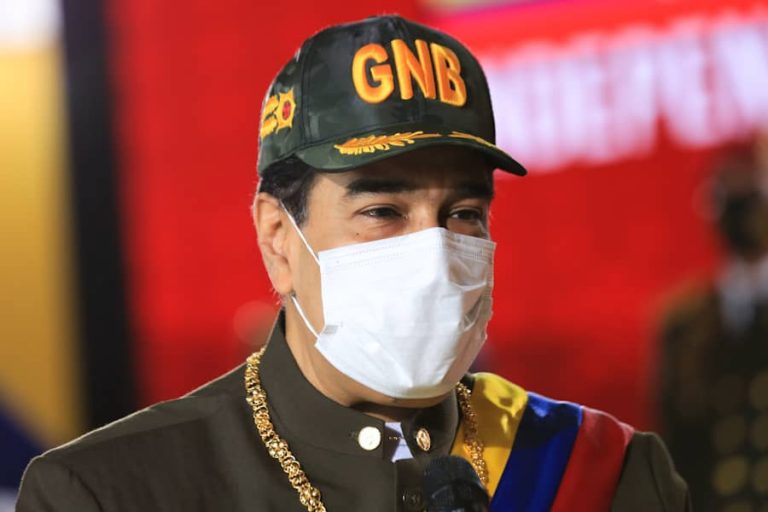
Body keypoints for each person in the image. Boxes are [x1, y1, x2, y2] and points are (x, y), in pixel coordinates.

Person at [17, 15, 689, 511]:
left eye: (463, 213)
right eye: (383, 211)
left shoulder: (601, 472)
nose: (434, 255)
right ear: (278, 237)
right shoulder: (116, 492)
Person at [660, 134, 768, 512]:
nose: (742, 211)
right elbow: (680, 452)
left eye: (751, 192)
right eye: (727, 193)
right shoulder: (684, 326)